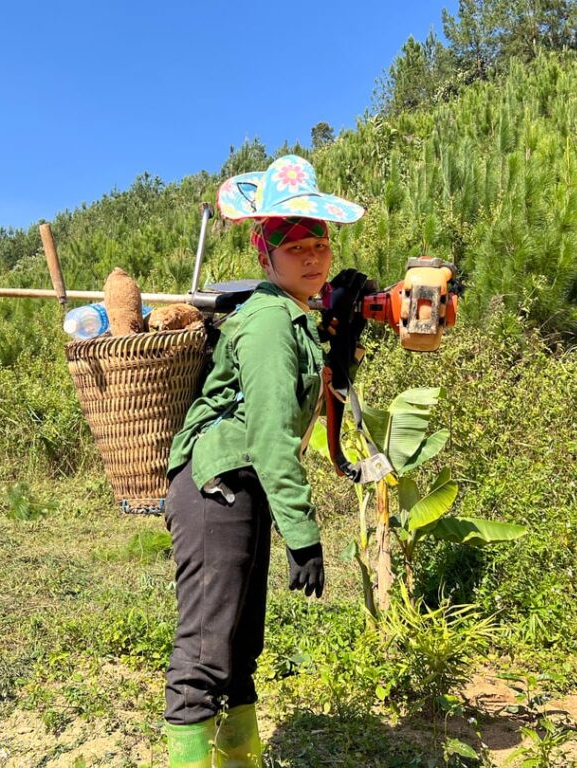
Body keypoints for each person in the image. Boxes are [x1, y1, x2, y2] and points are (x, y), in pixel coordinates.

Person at [162, 155, 370, 767]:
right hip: (218, 485)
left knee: (240, 642)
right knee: (206, 647)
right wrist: (304, 537)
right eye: (296, 246)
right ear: (266, 255)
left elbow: (318, 393)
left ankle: (240, 759)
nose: (312, 257)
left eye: (319, 243)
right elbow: (273, 436)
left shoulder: (294, 317)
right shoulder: (267, 324)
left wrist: (343, 329)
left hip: (243, 486)